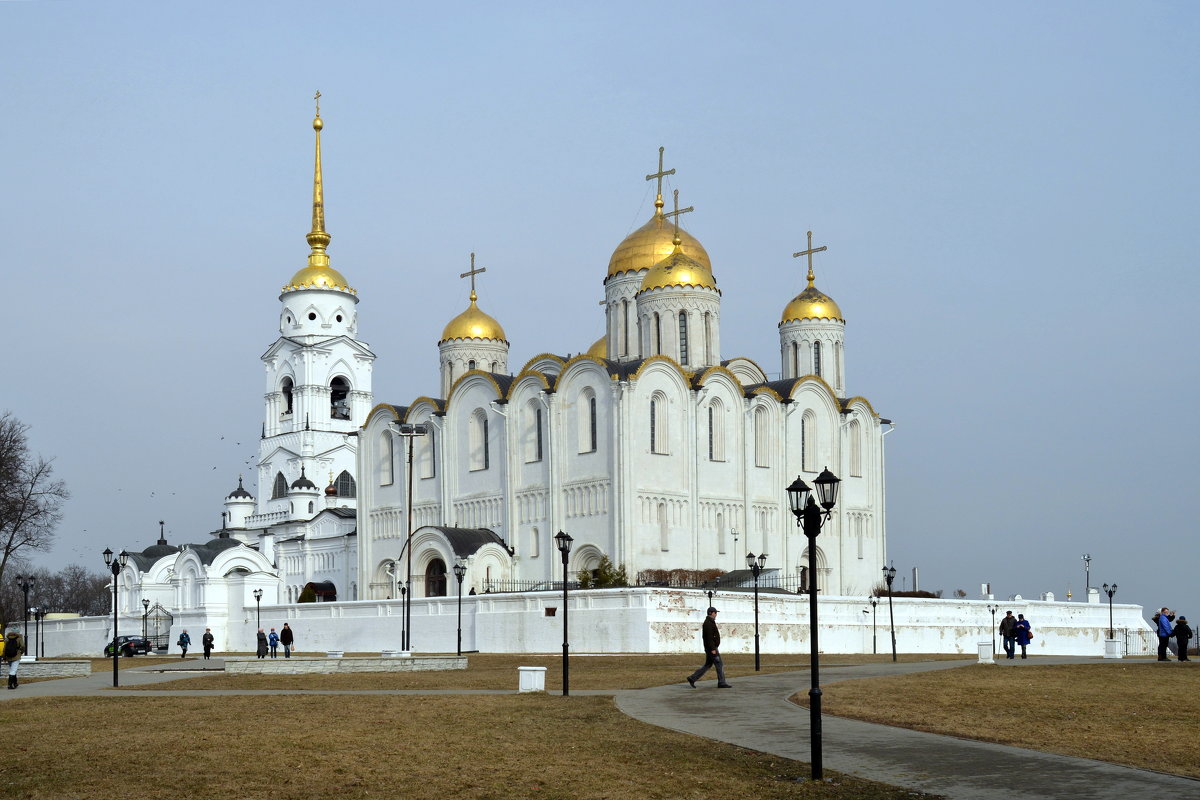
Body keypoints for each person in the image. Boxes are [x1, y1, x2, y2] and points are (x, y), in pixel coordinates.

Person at [686, 607, 731, 688]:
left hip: (711, 648)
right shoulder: (708, 623)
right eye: (715, 613)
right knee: (719, 664)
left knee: (708, 665)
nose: (716, 614)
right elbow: (709, 637)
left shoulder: (710, 622)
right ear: (711, 613)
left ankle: (692, 678)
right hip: (712, 648)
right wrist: (713, 649)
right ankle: (721, 682)